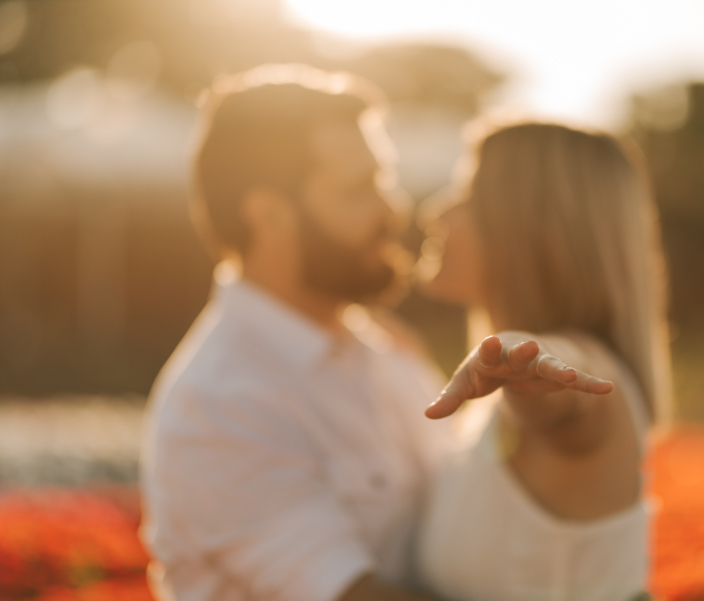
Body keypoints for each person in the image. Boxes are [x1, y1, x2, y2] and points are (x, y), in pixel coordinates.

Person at [141, 64, 457, 601]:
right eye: (360, 189)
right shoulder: (219, 403)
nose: (392, 210)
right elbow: (354, 595)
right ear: (269, 216)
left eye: (385, 179)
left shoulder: (385, 351)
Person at [414, 122, 673, 601]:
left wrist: (521, 353)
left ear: (530, 226)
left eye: (466, 194)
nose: (437, 210)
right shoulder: (488, 404)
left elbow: (565, 377)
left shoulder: (582, 375)